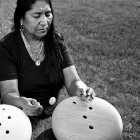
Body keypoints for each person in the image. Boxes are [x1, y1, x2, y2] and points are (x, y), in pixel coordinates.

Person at [0, 0, 96, 139]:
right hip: (19, 115)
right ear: (21, 17)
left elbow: (73, 81)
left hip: (52, 113)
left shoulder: (56, 41)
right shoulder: (7, 46)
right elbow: (9, 94)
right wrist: (23, 103)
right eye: (37, 15)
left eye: (48, 14)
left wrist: (82, 89)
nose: (45, 22)